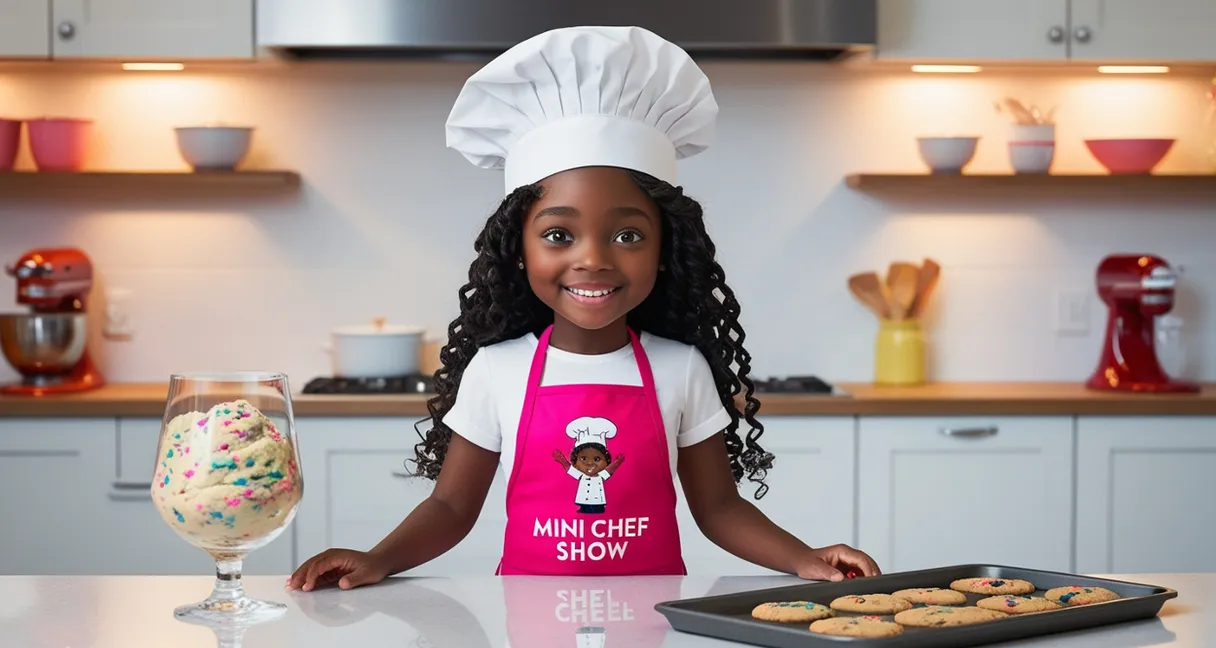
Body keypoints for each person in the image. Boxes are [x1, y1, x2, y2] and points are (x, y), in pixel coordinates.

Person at [288, 25, 880, 591]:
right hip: (526, 622)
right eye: (558, 235)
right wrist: (378, 559)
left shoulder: (681, 368)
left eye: (627, 236)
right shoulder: (497, 370)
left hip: (654, 620)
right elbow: (450, 505)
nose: (593, 260)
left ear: (666, 249)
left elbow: (719, 507)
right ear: (516, 251)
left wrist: (805, 557)